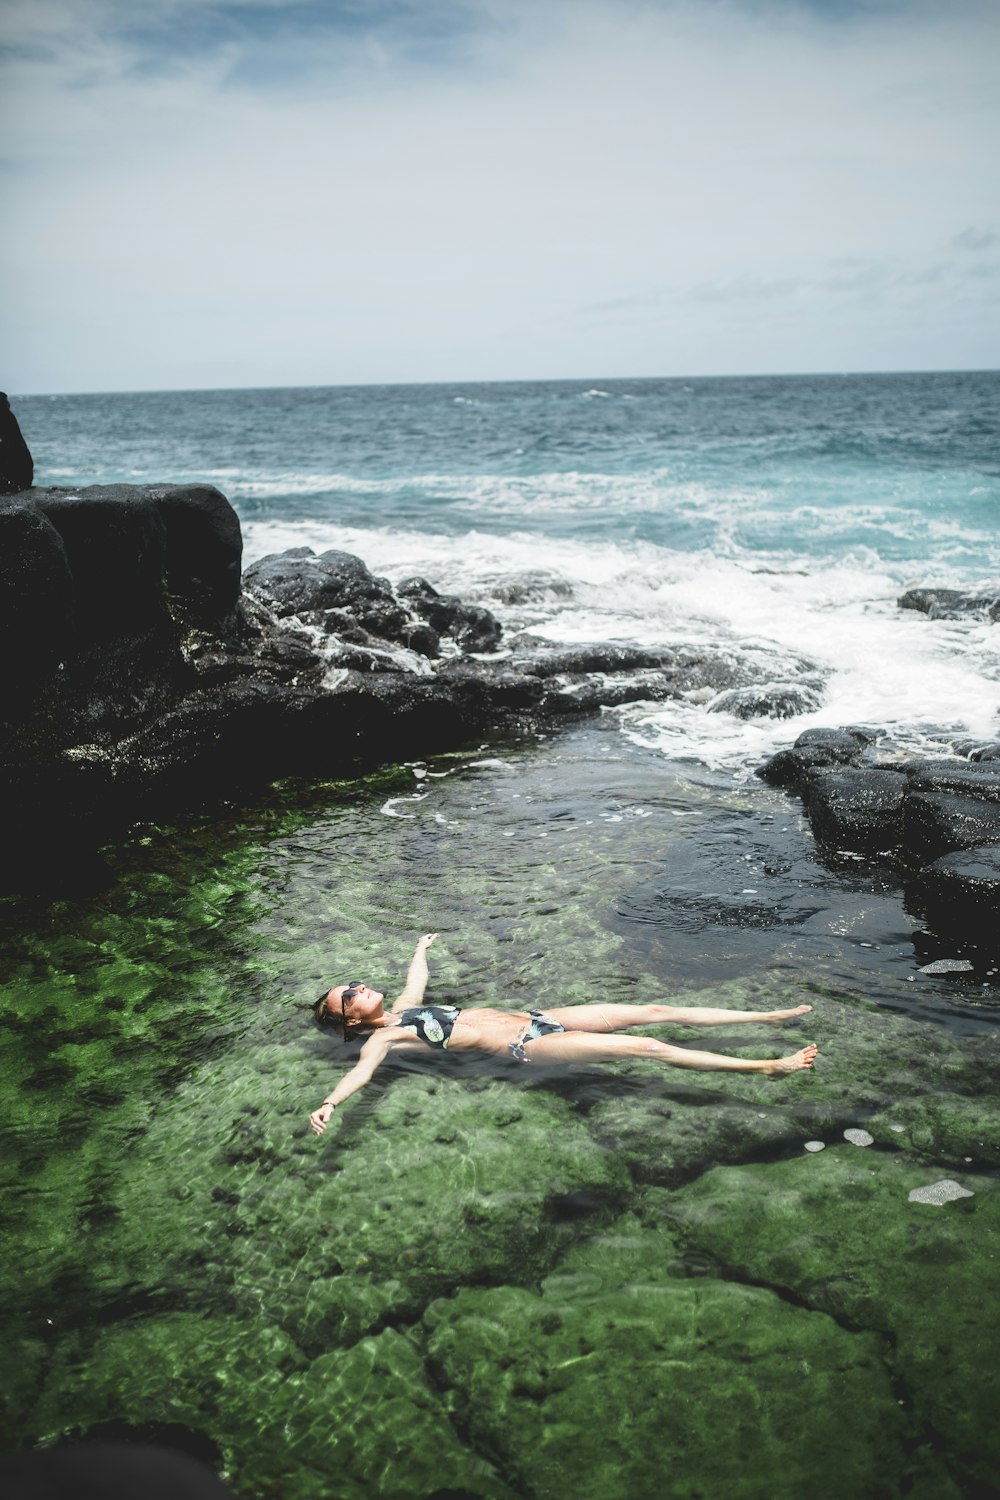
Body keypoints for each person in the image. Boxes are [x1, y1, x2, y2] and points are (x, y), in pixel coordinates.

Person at [308, 934, 818, 1134]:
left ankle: (766, 1018)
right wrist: (332, 1102)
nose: (357, 988)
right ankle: (767, 1066)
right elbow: (362, 1073)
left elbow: (414, 982)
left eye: (352, 983)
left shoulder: (402, 1008)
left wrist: (420, 950)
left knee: (654, 1009)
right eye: (348, 996)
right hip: (532, 1046)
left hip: (539, 1015)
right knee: (648, 1047)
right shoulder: (383, 1039)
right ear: (350, 1021)